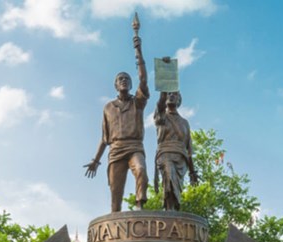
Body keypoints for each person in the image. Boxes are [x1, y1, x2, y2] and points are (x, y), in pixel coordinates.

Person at [84, 33, 150, 212]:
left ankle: (139, 206)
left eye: (127, 79)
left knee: (141, 171)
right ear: (115, 85)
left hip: (135, 146)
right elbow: (104, 138)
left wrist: (138, 51)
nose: (124, 81)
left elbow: (143, 79)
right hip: (116, 150)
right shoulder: (108, 107)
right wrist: (95, 160)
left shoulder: (138, 102)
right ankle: (116, 221)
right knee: (115, 193)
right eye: (120, 79)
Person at [153, 87, 199, 211]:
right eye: (169, 93)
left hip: (181, 159)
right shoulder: (161, 116)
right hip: (165, 154)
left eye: (175, 94)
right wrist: (166, 83)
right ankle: (169, 210)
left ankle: (174, 212)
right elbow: (160, 102)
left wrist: (192, 172)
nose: (171, 95)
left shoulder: (185, 123)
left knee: (176, 187)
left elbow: (189, 150)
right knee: (169, 177)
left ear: (179, 100)